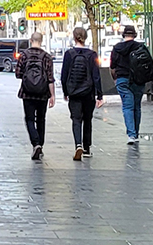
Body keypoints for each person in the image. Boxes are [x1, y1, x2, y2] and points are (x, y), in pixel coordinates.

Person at [59, 24, 103, 160]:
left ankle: (78, 144)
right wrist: (99, 95)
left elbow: (64, 75)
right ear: (86, 38)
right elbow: (96, 76)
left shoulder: (69, 54)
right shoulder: (92, 55)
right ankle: (87, 148)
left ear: (74, 37)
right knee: (88, 119)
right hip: (88, 92)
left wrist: (65, 92)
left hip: (74, 92)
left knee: (76, 119)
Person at [109, 22, 153, 143]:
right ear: (135, 35)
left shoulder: (117, 48)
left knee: (127, 106)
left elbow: (112, 66)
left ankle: (131, 134)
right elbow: (151, 64)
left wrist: (115, 79)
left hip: (122, 80)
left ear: (123, 35)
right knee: (137, 106)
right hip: (138, 80)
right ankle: (135, 133)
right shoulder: (140, 47)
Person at [12, 24, 55, 159]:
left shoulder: (24, 55)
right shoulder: (47, 57)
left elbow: (18, 74)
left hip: (27, 92)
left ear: (31, 40)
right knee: (41, 119)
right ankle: (40, 145)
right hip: (43, 94)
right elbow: (50, 77)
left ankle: (35, 143)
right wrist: (53, 95)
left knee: (29, 119)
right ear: (41, 41)